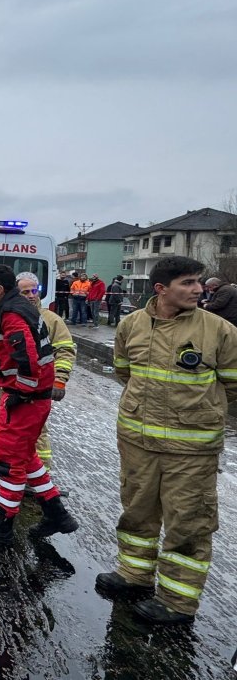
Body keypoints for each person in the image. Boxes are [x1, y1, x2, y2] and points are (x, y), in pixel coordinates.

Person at [98, 255, 237, 625]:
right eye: (188, 283)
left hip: (191, 449)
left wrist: (198, 412)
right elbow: (125, 371)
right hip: (137, 440)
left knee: (188, 524)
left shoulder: (219, 330)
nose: (197, 289)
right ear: (161, 289)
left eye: (198, 282)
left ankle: (177, 601)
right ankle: (134, 576)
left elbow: (233, 385)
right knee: (137, 511)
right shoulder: (131, 324)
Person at [0, 265, 78, 544]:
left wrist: (21, 393)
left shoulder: (12, 315)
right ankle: (56, 514)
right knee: (26, 457)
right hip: (27, 397)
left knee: (9, 461)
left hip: (26, 399)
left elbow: (29, 360)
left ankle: (2, 522)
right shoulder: (13, 309)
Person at [15, 272, 76, 470]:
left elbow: (65, 350)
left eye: (35, 291)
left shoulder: (52, 320)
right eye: (26, 292)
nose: (32, 295)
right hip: (13, 386)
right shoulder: (11, 317)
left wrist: (60, 380)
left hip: (39, 387)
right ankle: (16, 470)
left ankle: (40, 476)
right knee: (13, 430)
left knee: (37, 432)